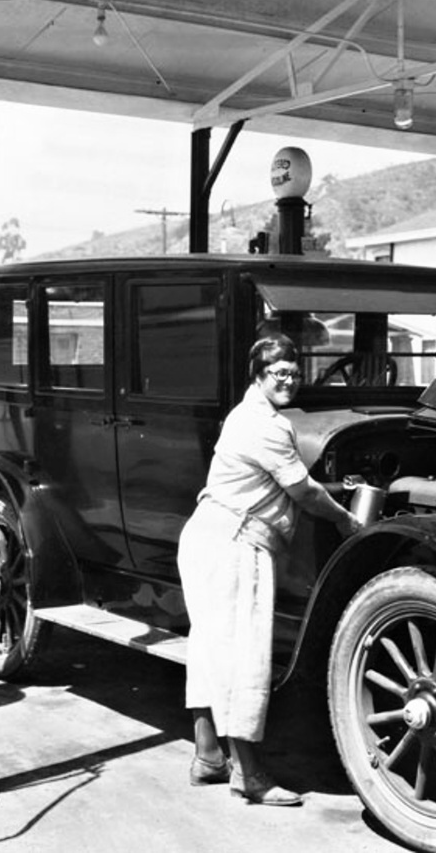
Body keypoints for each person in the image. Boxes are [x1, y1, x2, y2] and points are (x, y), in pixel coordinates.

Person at [177, 334, 363, 807]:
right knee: (244, 658)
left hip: (208, 536)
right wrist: (346, 519)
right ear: (258, 375)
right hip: (235, 542)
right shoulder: (265, 424)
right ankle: (251, 775)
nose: (289, 381)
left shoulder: (247, 416)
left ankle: (208, 758)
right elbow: (302, 491)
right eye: (279, 373)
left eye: (295, 373)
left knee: (209, 649)